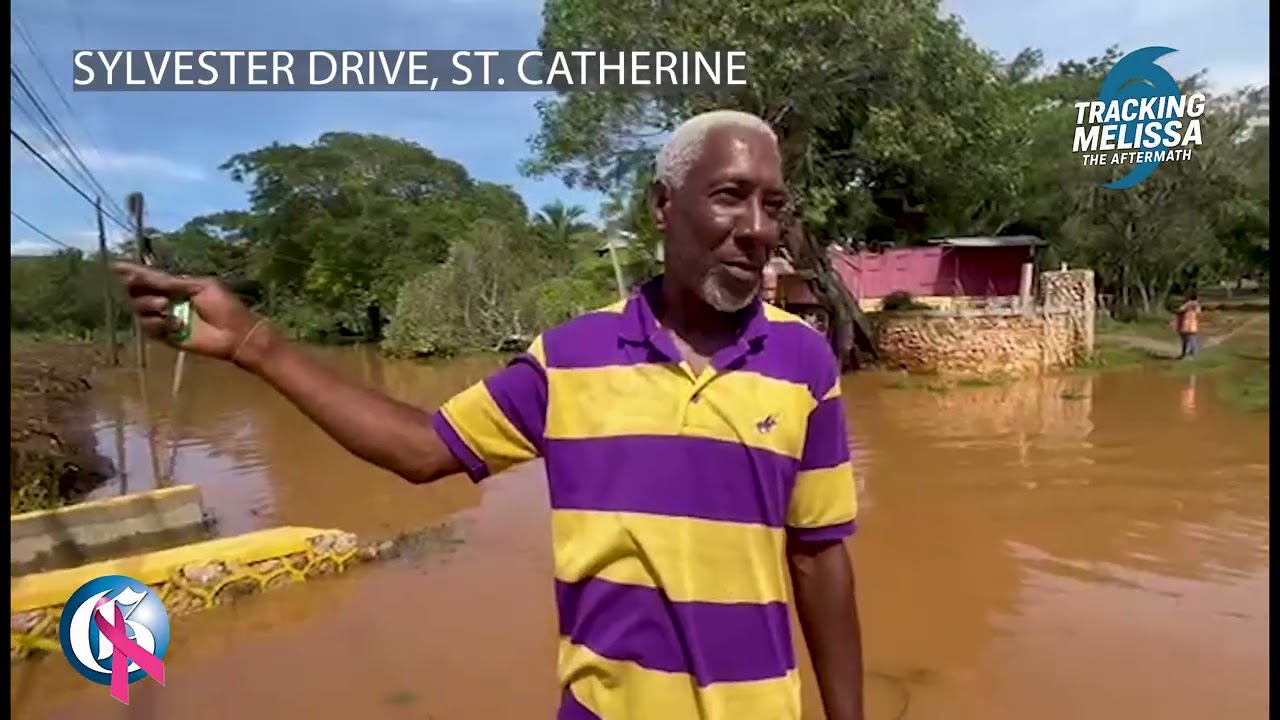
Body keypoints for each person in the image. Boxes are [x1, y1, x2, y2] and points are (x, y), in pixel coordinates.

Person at [114, 110, 864, 720]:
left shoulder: (803, 361)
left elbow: (819, 556)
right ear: (663, 205)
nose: (757, 227)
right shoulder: (569, 358)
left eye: (773, 205)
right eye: (730, 195)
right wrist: (255, 345)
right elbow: (421, 449)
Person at [1175, 291, 1202, 359]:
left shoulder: (1187, 304)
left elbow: (1179, 310)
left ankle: (1187, 354)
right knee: (1191, 341)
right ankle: (1189, 354)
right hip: (1190, 326)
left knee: (1187, 341)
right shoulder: (1196, 305)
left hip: (1185, 325)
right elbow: (1198, 314)